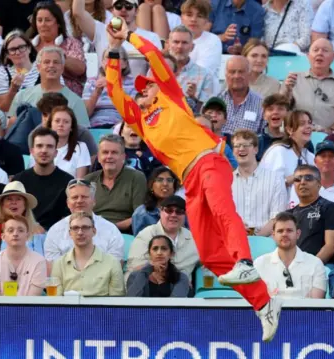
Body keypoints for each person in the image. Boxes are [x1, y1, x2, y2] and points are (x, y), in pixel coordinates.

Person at [106, 21, 280, 341]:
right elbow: (113, 90)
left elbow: (157, 59)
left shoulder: (171, 96)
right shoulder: (142, 123)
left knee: (223, 209)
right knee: (211, 254)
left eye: (149, 85)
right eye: (141, 87)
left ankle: (244, 259)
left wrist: (128, 35)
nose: (144, 88)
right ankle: (264, 303)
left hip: (209, 161)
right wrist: (114, 52)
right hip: (190, 180)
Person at [288, 140, 334, 235]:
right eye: (323, 156)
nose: (327, 159)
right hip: (305, 238)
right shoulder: (302, 184)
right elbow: (295, 217)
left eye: (331, 156)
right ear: (315, 161)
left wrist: (333, 242)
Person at [44, 179, 124, 262]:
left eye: (84, 197)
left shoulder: (110, 229)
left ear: (94, 201)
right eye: (75, 197)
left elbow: (116, 265)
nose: (79, 201)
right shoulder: (55, 231)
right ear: (68, 203)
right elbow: (53, 267)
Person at [8, 47, 90, 128]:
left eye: (56, 62)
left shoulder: (75, 101)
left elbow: (82, 134)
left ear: (62, 68)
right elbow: (11, 131)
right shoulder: (22, 96)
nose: (51, 65)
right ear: (38, 67)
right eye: (46, 62)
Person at [51, 211, 126, 296]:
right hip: (69, 309)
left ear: (94, 231)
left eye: (85, 227)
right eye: (75, 228)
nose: (80, 232)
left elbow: (117, 302)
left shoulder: (112, 263)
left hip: (101, 309)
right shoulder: (59, 264)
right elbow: (56, 301)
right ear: (70, 233)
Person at [254, 212, 326, 299]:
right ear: (273, 235)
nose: (284, 234)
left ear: (298, 234)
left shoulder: (315, 264)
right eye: (280, 231)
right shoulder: (259, 264)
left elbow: (316, 305)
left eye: (289, 230)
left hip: (304, 313)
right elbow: (256, 300)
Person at [286, 38, 334, 131]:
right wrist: (287, 90)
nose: (320, 53)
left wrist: (331, 131)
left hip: (330, 139)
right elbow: (283, 108)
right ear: (308, 56)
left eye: (325, 50)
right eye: (315, 50)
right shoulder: (294, 79)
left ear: (333, 57)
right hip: (297, 136)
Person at [84, 134, 147, 232]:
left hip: (125, 233)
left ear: (123, 157)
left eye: (114, 153)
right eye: (105, 152)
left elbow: (139, 216)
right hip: (92, 232)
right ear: (99, 157)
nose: (109, 156)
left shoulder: (137, 178)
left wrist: (111, 228)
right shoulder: (88, 180)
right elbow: (81, 214)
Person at [12, 128, 73, 229]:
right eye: (39, 146)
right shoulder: (19, 180)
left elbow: (68, 218)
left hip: (55, 236)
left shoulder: (67, 181)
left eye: (49, 146)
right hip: (23, 233)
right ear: (32, 151)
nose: (44, 150)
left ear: (56, 152)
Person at [127, 195, 199, 278]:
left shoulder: (193, 238)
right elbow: (134, 269)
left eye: (179, 211)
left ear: (185, 215)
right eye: (169, 210)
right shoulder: (146, 235)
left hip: (182, 287)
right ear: (160, 212)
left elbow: (207, 262)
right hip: (149, 285)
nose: (173, 215)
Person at [232, 129, 287, 236]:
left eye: (246, 145)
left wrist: (257, 238)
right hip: (234, 240)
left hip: (265, 244)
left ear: (256, 149)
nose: (241, 149)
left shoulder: (275, 178)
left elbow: (277, 217)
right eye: (237, 146)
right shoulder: (226, 181)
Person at [287, 165, 334, 265]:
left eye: (308, 178)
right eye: (297, 179)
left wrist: (310, 267)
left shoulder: (329, 208)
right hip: (294, 268)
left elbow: (331, 247)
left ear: (319, 184)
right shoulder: (288, 215)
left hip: (324, 268)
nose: (302, 182)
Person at [28, 1, 86, 96]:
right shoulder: (28, 46)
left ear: (58, 23)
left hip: (67, 97)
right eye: (39, 20)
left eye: (47, 20)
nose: (43, 24)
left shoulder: (71, 43)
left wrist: (56, 55)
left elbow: (80, 69)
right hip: (33, 95)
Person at [0, 216, 47, 296]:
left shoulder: (39, 261)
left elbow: (33, 299)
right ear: (3, 236)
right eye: (10, 231)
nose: (15, 234)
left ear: (27, 236)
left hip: (28, 307)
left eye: (20, 230)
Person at [0, 181, 45, 258]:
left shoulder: (37, 230)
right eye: (9, 199)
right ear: (2, 204)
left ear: (25, 205)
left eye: (18, 199)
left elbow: (42, 261)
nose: (14, 202)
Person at [31, 106, 91, 178]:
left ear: (71, 127)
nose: (61, 125)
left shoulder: (81, 147)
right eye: (57, 121)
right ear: (50, 125)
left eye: (66, 122)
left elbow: (80, 181)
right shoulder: (39, 147)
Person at [83, 47, 136, 129]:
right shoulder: (92, 82)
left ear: (125, 64)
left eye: (116, 57)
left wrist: (114, 88)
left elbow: (134, 114)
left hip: (122, 127)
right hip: (95, 126)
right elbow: (84, 116)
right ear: (102, 62)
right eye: (108, 57)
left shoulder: (133, 83)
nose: (111, 61)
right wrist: (97, 92)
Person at [168, 25, 217, 114]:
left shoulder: (205, 75)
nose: (180, 46)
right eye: (176, 42)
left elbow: (206, 112)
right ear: (168, 45)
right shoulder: (156, 70)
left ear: (192, 47)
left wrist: (193, 98)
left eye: (184, 43)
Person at [260, 110, 315, 187]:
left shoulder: (310, 157)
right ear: (289, 130)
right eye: (302, 124)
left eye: (309, 123)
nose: (309, 126)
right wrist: (294, 178)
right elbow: (268, 185)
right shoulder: (278, 152)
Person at [127, 235, 192, 297]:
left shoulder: (181, 277)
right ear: (149, 254)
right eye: (155, 249)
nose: (159, 253)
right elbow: (131, 301)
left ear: (171, 254)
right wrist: (148, 270)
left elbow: (176, 304)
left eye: (164, 249)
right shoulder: (135, 276)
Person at [109, 0, 162, 76]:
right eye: (118, 6)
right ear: (112, 11)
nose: (123, 9)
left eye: (128, 6)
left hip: (140, 86)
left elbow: (158, 68)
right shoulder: (103, 32)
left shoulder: (152, 37)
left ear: (136, 11)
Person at [0, 31, 40, 113]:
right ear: (7, 54)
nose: (18, 52)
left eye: (21, 47)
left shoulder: (43, 67)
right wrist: (13, 90)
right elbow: (2, 109)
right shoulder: (3, 74)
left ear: (29, 48)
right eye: (12, 49)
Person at [218, 56, 264, 135]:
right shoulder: (215, 100)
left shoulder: (261, 104)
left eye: (241, 72)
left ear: (249, 74)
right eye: (232, 72)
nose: (236, 76)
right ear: (226, 75)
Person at [131, 166, 181, 235]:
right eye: (160, 180)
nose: (165, 184)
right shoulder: (141, 213)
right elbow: (141, 242)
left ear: (174, 187)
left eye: (169, 180)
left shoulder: (183, 211)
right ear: (151, 186)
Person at [181, 0, 221, 77]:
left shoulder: (213, 40)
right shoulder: (175, 38)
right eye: (189, 15)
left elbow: (202, 73)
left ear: (206, 21)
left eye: (199, 16)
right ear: (182, 18)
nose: (193, 19)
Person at [256, 94, 290, 161]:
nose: (275, 112)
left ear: (288, 114)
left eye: (280, 109)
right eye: (270, 109)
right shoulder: (256, 142)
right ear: (264, 115)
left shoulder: (297, 140)